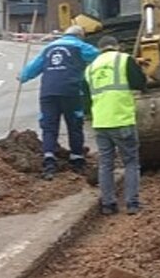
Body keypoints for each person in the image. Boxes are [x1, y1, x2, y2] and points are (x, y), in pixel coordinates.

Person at [18, 25, 100, 180]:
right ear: (80, 36)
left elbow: (34, 66)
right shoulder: (80, 46)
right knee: (74, 124)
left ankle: (49, 161)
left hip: (48, 92)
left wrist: (23, 76)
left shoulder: (49, 48)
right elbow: (98, 56)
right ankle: (77, 159)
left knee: (49, 126)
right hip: (71, 91)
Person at [84, 35, 147, 215]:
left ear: (100, 48)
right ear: (117, 46)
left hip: (101, 123)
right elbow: (140, 83)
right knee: (131, 162)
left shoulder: (90, 68)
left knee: (105, 164)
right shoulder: (124, 59)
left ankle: (108, 204)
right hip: (122, 120)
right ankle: (132, 204)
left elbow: (86, 98)